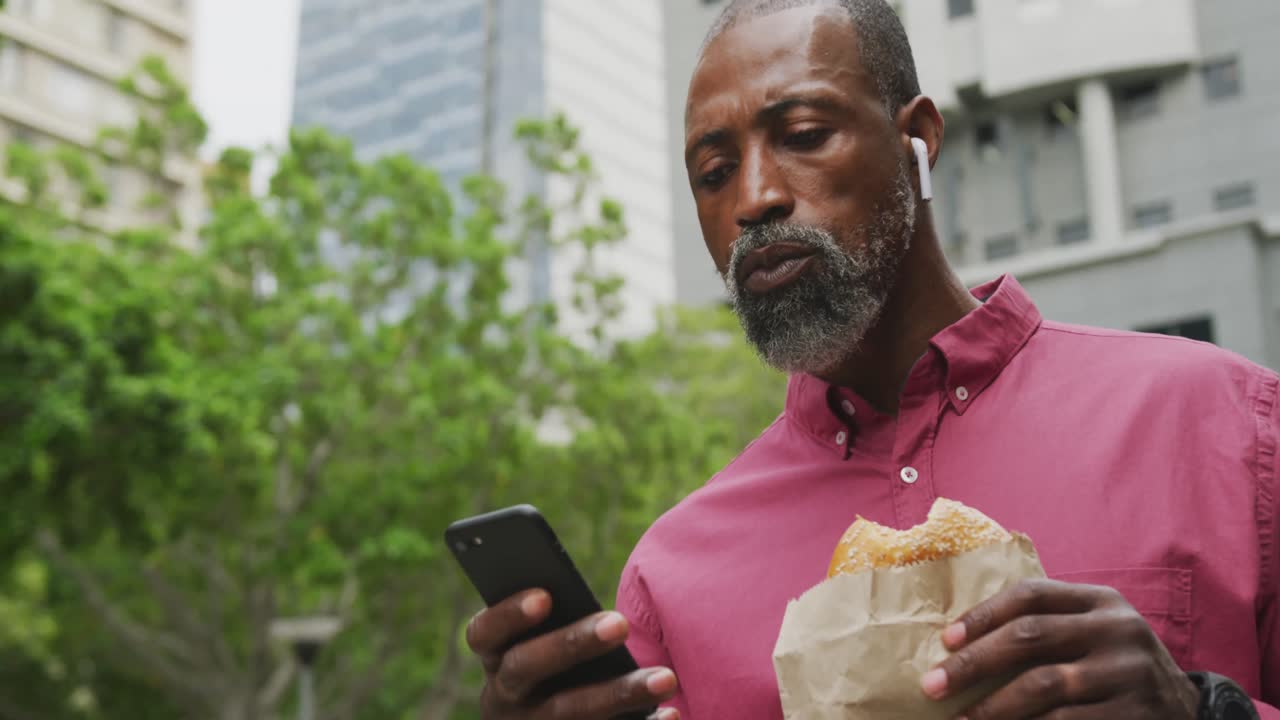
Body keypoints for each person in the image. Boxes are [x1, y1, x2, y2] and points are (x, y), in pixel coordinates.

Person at [463, 0, 1280, 718]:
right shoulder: (670, 580)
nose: (753, 199)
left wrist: (1202, 710)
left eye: (804, 135)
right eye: (713, 174)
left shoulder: (1224, 423)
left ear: (918, 138)